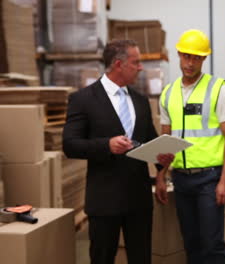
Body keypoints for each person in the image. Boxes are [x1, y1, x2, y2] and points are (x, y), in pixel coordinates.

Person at [63, 39, 173, 264]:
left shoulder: (141, 101)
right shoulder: (83, 99)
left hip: (139, 200)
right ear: (118, 64)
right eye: (136, 62)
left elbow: (150, 141)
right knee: (102, 258)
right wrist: (106, 145)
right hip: (104, 200)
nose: (141, 67)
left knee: (141, 257)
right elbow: (70, 144)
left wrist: (162, 161)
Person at [155, 29, 225, 264]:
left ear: (203, 59)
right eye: (186, 56)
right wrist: (160, 176)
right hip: (181, 179)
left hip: (209, 179)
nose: (190, 62)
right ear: (179, 55)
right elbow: (165, 140)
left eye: (196, 57)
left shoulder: (218, 90)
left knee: (212, 244)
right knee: (190, 243)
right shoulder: (168, 93)